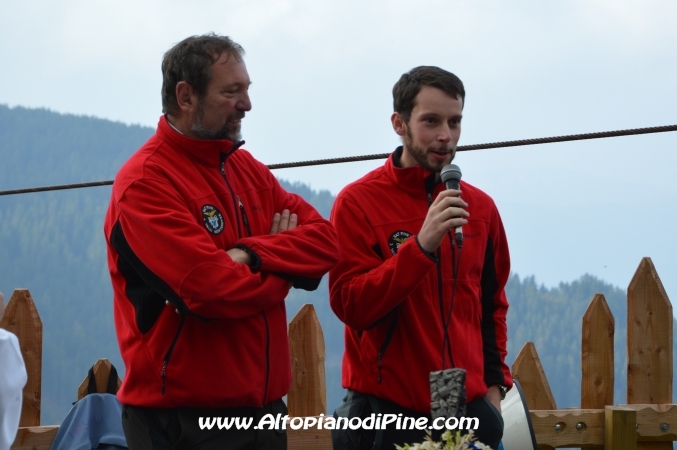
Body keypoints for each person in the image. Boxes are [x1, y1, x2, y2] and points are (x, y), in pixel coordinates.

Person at [104, 34, 338, 450]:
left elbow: (326, 242)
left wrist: (252, 253)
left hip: (264, 413)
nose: (247, 104)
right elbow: (208, 291)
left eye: (247, 90)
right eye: (232, 92)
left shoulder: (246, 169)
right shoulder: (145, 184)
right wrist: (285, 266)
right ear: (186, 95)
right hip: (180, 424)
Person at [329, 66, 512, 450]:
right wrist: (421, 247)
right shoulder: (357, 202)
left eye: (455, 121)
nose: (446, 136)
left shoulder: (480, 208)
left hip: (462, 408)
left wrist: (494, 391)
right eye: (431, 121)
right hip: (385, 412)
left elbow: (491, 306)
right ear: (399, 123)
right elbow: (351, 305)